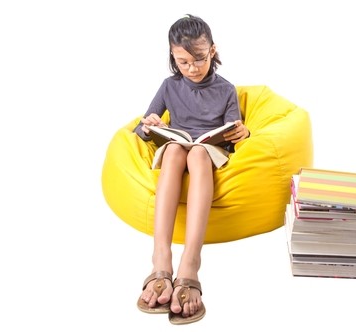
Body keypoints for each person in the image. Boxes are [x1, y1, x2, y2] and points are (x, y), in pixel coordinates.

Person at [133, 14, 250, 325]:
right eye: (183, 62)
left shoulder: (226, 90)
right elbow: (141, 128)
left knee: (197, 154)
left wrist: (243, 133)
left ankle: (190, 264)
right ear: (173, 57)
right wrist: (151, 124)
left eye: (199, 59)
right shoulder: (169, 87)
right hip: (176, 143)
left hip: (207, 149)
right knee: (173, 151)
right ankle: (161, 260)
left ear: (212, 50)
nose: (192, 68)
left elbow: (235, 132)